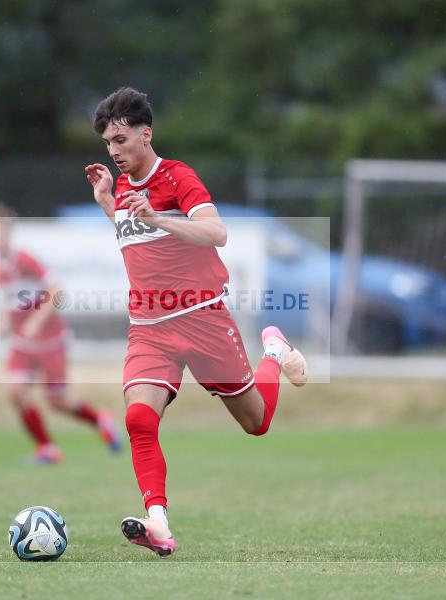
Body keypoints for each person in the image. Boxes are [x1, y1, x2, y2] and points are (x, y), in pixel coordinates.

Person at [84, 87, 308, 557]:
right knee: (139, 418)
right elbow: (136, 234)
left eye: (121, 140)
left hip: (202, 319)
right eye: (107, 143)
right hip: (149, 327)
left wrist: (163, 218)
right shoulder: (122, 186)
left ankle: (274, 351)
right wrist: (109, 203)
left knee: (256, 423)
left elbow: (216, 232)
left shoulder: (178, 176)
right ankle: (159, 524)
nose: (114, 151)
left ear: (146, 134)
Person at [0, 203, 121, 464]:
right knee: (16, 392)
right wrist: (3, 319)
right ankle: (47, 448)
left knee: (57, 401)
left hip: (49, 340)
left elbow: (58, 290)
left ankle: (100, 420)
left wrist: (36, 320)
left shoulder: (24, 259)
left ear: (9, 233)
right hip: (22, 343)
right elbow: (8, 298)